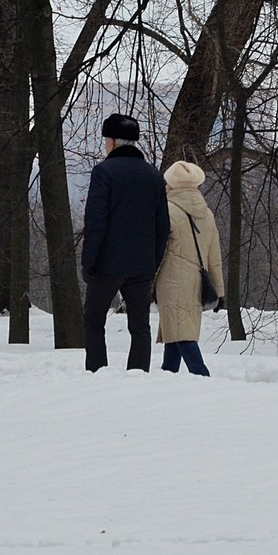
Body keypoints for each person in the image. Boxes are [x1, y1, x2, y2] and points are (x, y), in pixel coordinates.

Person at [81, 113, 170, 372]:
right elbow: (162, 225)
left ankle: (98, 372)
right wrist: (151, 261)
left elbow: (96, 223)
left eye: (106, 140)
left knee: (94, 320)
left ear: (113, 142)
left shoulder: (104, 172)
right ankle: (138, 375)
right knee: (140, 326)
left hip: (107, 265)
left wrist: (89, 262)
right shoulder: (153, 176)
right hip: (141, 265)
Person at [154, 160, 225, 377]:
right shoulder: (207, 214)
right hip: (197, 282)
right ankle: (168, 374)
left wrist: (145, 281)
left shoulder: (167, 211)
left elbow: (157, 251)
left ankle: (202, 375)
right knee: (176, 330)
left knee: (182, 335)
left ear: (172, 185)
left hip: (171, 282)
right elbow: (214, 257)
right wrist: (220, 292)